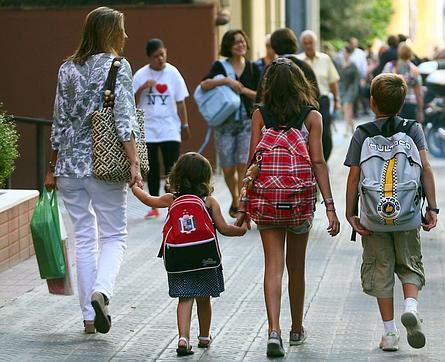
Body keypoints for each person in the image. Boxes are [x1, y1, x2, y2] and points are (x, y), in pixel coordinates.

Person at [45, 6, 143, 335]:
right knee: (114, 235)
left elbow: (58, 120)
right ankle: (102, 292)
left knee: (84, 238)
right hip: (102, 164)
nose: (126, 36)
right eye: (121, 30)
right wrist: (133, 162)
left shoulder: (66, 67)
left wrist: (52, 165)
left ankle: (89, 316)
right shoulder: (118, 66)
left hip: (68, 167)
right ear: (110, 33)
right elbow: (124, 119)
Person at [239, 57, 340, 357]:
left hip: (267, 201)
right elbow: (318, 162)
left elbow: (252, 162)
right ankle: (297, 327)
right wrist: (331, 208)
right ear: (300, 83)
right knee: (297, 268)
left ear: (268, 85)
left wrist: (244, 203)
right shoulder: (313, 117)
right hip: (298, 202)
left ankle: (274, 331)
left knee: (273, 266)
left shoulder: (260, 114)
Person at [344, 73, 438, 352]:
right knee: (410, 263)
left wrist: (351, 214)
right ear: (402, 103)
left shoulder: (362, 133)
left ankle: (390, 334)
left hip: (374, 217)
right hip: (408, 215)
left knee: (380, 269)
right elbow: (426, 168)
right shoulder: (413, 129)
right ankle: (411, 306)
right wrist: (432, 207)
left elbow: (353, 177)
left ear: (372, 102)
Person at [131, 152, 246, 355]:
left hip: (180, 257)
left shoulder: (172, 198)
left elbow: (148, 199)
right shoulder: (209, 201)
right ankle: (204, 336)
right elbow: (224, 228)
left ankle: (183, 338)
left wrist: (134, 186)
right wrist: (239, 231)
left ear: (177, 174)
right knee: (204, 298)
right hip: (205, 258)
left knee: (184, 298)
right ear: (205, 178)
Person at [200, 29, 260, 217]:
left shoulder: (253, 68)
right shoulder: (220, 66)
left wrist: (243, 91)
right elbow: (204, 85)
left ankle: (242, 204)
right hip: (225, 123)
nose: (240, 45)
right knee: (227, 167)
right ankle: (234, 197)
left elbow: (262, 95)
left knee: (243, 164)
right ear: (228, 46)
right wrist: (226, 81)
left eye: (242, 41)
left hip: (246, 122)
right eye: (236, 42)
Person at [133, 38, 190, 219]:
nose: (160, 59)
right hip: (149, 128)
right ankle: (154, 205)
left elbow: (180, 102)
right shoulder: (141, 75)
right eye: (156, 56)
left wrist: (185, 124)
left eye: (162, 54)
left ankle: (173, 201)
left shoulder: (173, 73)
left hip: (169, 127)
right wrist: (142, 88)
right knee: (152, 167)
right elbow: (130, 101)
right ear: (149, 58)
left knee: (172, 166)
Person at [297, 30, 340, 161]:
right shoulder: (298, 60)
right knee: (306, 132)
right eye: (305, 43)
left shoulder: (325, 59)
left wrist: (337, 99)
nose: (308, 46)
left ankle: (323, 160)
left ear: (315, 43)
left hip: (323, 100)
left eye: (310, 43)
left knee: (325, 132)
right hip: (304, 101)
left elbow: (332, 82)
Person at [254, 28, 319, 104]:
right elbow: (315, 95)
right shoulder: (304, 66)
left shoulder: (269, 67)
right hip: (301, 114)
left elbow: (260, 98)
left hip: (274, 114)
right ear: (294, 43)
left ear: (274, 46)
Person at [382, 43, 424, 123]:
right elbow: (419, 92)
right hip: (410, 105)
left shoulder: (390, 66)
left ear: (398, 52)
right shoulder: (414, 70)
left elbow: (382, 86)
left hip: (392, 103)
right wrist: (420, 111)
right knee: (407, 132)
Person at [338, 46, 360, 135]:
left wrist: (355, 89)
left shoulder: (353, 64)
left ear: (349, 54)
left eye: (345, 53)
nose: (344, 54)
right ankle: (351, 125)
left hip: (351, 88)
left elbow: (356, 78)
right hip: (343, 88)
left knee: (347, 106)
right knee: (346, 109)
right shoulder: (340, 64)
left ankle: (347, 129)